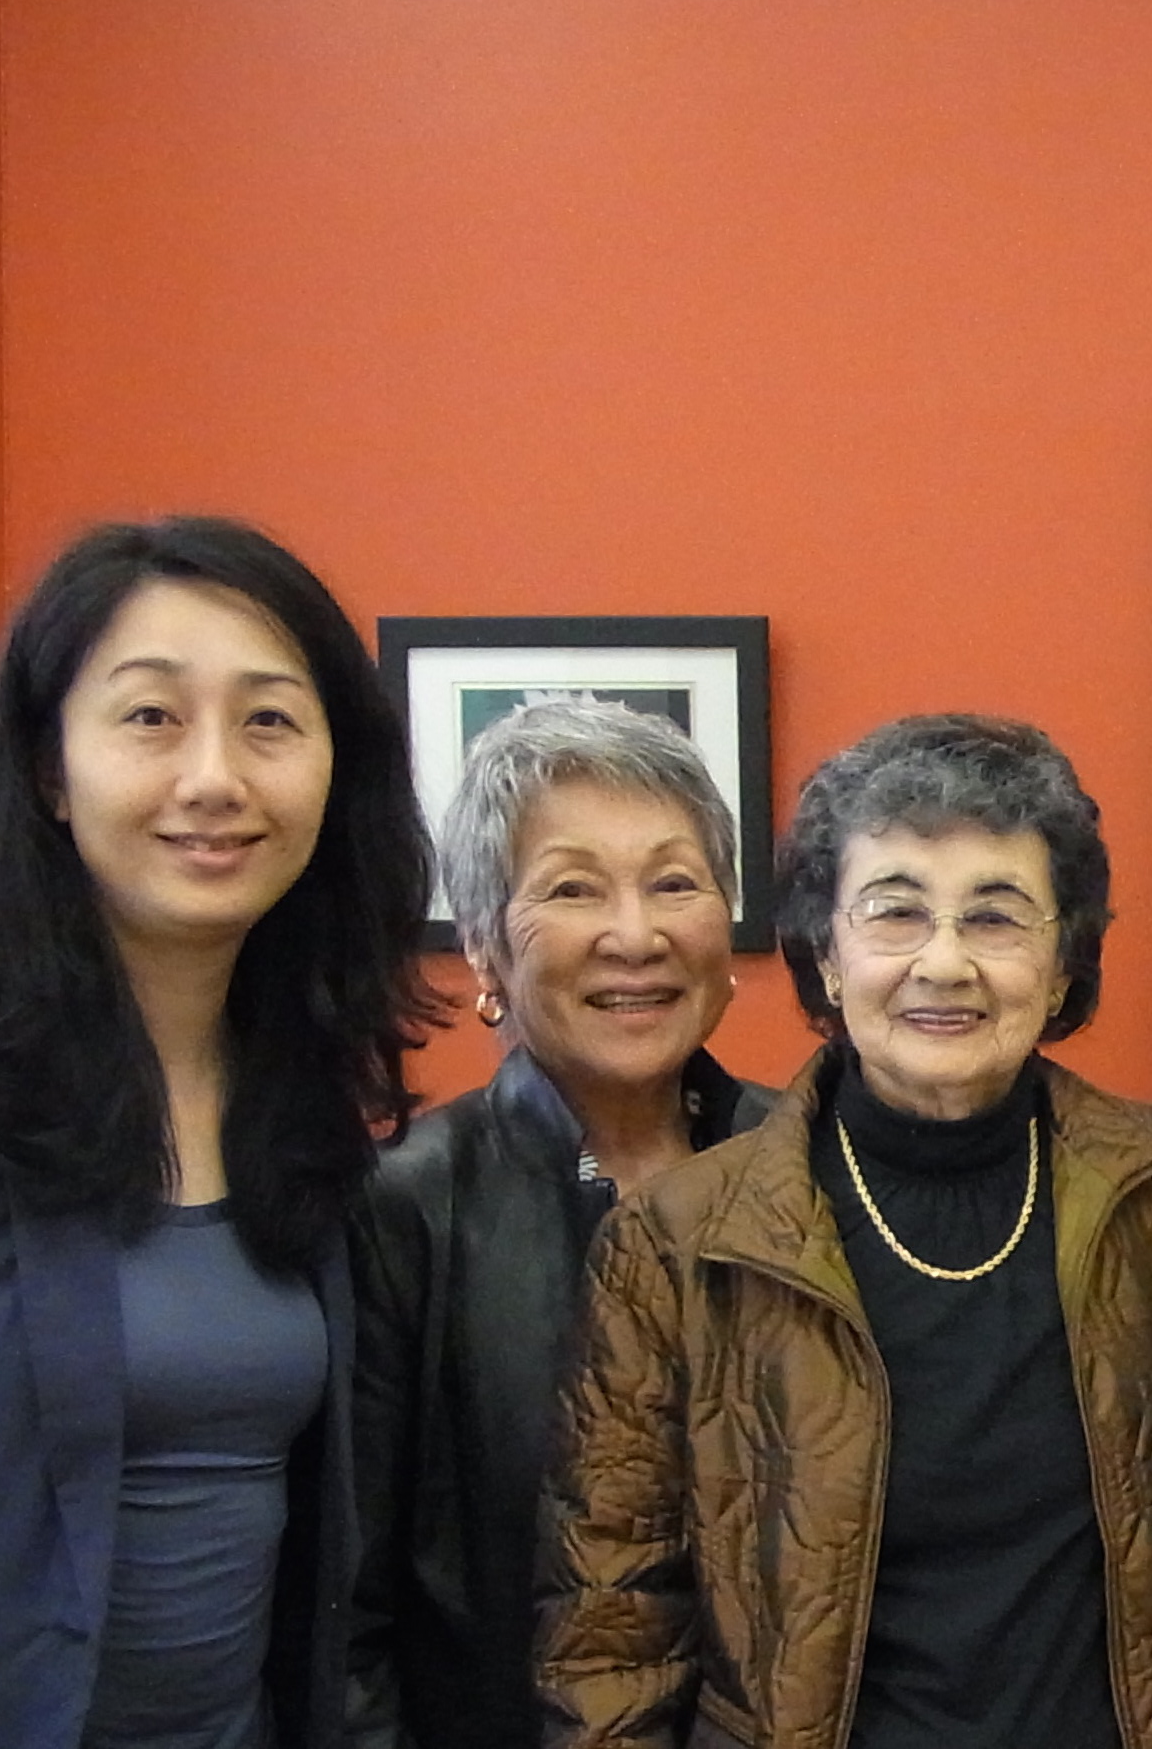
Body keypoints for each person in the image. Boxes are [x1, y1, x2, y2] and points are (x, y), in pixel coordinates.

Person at [0, 516, 434, 1748]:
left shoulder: (302, 1099)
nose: (216, 777)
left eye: (270, 720)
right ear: (50, 767)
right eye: (151, 716)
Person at [541, 713, 1152, 1749]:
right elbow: (610, 1628)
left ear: (1064, 957)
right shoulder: (680, 1241)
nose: (944, 963)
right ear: (825, 952)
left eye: (996, 917)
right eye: (895, 911)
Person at [348, 699, 773, 1748]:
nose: (636, 934)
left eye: (676, 881)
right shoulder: (404, 1206)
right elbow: (346, 1616)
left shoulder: (811, 1165)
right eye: (573, 889)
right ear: (486, 950)